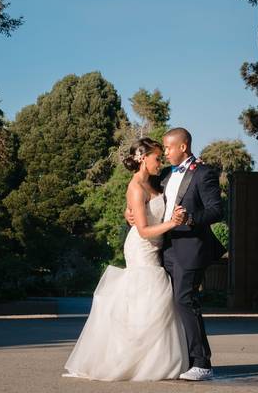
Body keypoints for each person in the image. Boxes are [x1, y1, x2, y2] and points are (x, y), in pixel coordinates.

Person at [63, 137, 189, 381]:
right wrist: (172, 222)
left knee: (154, 301)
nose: (160, 161)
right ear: (143, 158)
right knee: (146, 296)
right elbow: (142, 230)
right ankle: (131, 360)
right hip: (142, 247)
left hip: (155, 246)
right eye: (156, 157)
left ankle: (154, 360)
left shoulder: (154, 182)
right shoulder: (135, 188)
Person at [126, 127, 225, 381]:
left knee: (185, 300)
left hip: (192, 249)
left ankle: (202, 363)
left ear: (183, 147)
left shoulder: (204, 173)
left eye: (168, 148)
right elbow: (146, 199)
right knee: (168, 306)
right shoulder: (166, 175)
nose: (165, 153)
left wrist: (190, 219)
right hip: (164, 250)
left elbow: (216, 211)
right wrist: (129, 214)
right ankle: (181, 359)